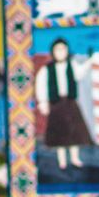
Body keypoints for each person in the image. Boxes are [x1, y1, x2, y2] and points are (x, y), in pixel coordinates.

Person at [35, 38, 92, 170]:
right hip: (56, 103)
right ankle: (62, 161)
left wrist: (90, 61)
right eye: (58, 49)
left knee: (74, 132)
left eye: (63, 49)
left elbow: (80, 73)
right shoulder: (47, 69)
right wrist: (43, 102)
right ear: (53, 52)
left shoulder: (72, 65)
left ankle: (75, 158)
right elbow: (41, 85)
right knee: (60, 133)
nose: (61, 52)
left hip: (70, 102)